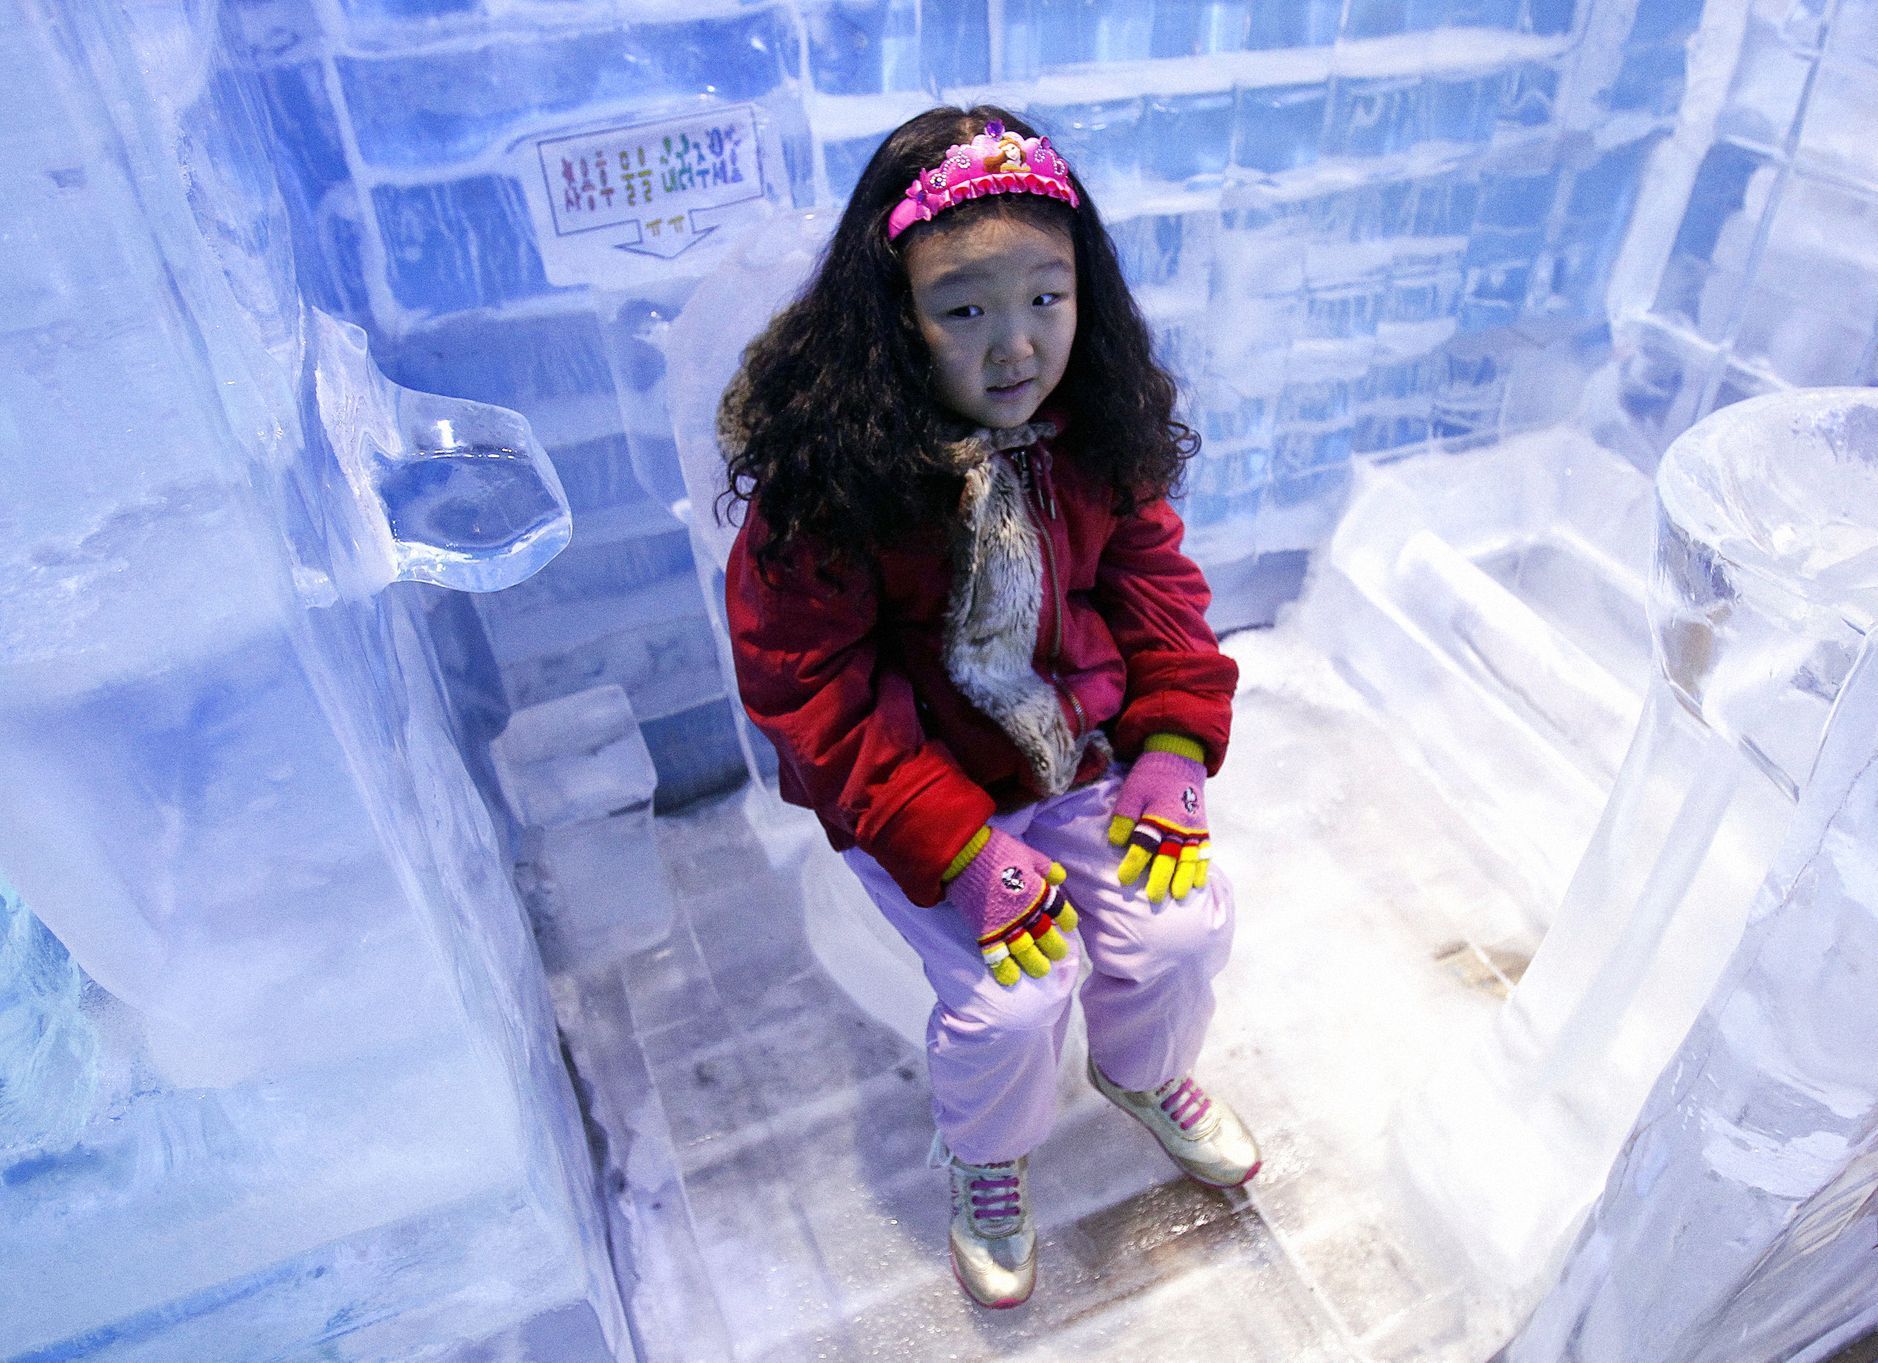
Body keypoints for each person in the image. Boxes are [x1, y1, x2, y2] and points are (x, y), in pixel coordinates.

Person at [718, 105, 1259, 1310]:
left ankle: (1142, 1068)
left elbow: (1156, 583)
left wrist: (1170, 742)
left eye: (1045, 299)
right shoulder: (836, 481)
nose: (1015, 346)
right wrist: (957, 849)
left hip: (1079, 763)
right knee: (1017, 996)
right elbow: (806, 685)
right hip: (929, 797)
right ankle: (989, 1155)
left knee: (1179, 928)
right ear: (893, 319)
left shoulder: (1092, 431)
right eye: (964, 310)